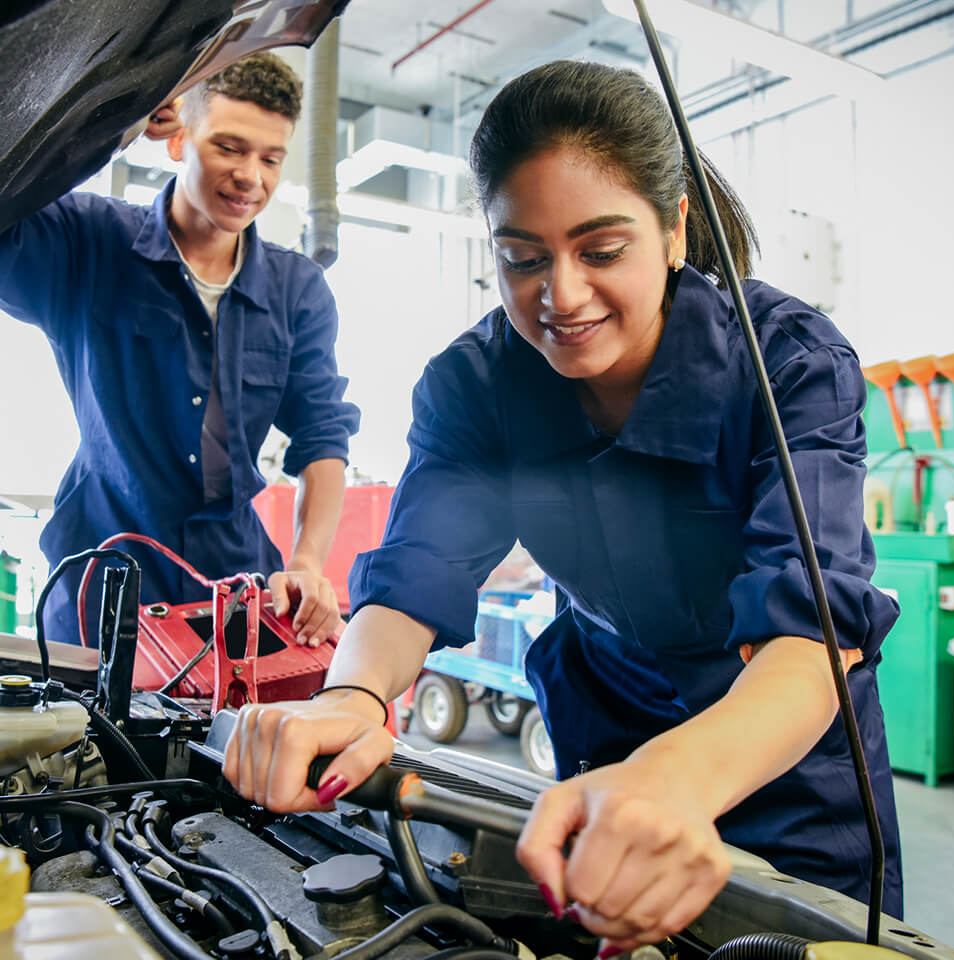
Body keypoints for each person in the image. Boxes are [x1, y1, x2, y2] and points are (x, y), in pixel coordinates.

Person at [221, 60, 902, 948]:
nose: (562, 296)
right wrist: (349, 696)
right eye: (522, 258)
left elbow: (811, 632)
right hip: (607, 742)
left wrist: (677, 779)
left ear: (674, 227)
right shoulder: (476, 384)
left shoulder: (790, 365)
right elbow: (416, 573)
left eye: (602, 250)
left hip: (789, 770)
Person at [0, 52, 360, 647]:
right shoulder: (89, 244)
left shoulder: (298, 292)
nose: (253, 177)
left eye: (271, 158)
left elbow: (322, 436)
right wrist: (108, 128)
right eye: (229, 147)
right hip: (103, 586)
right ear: (176, 140)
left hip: (233, 589)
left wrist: (306, 562)